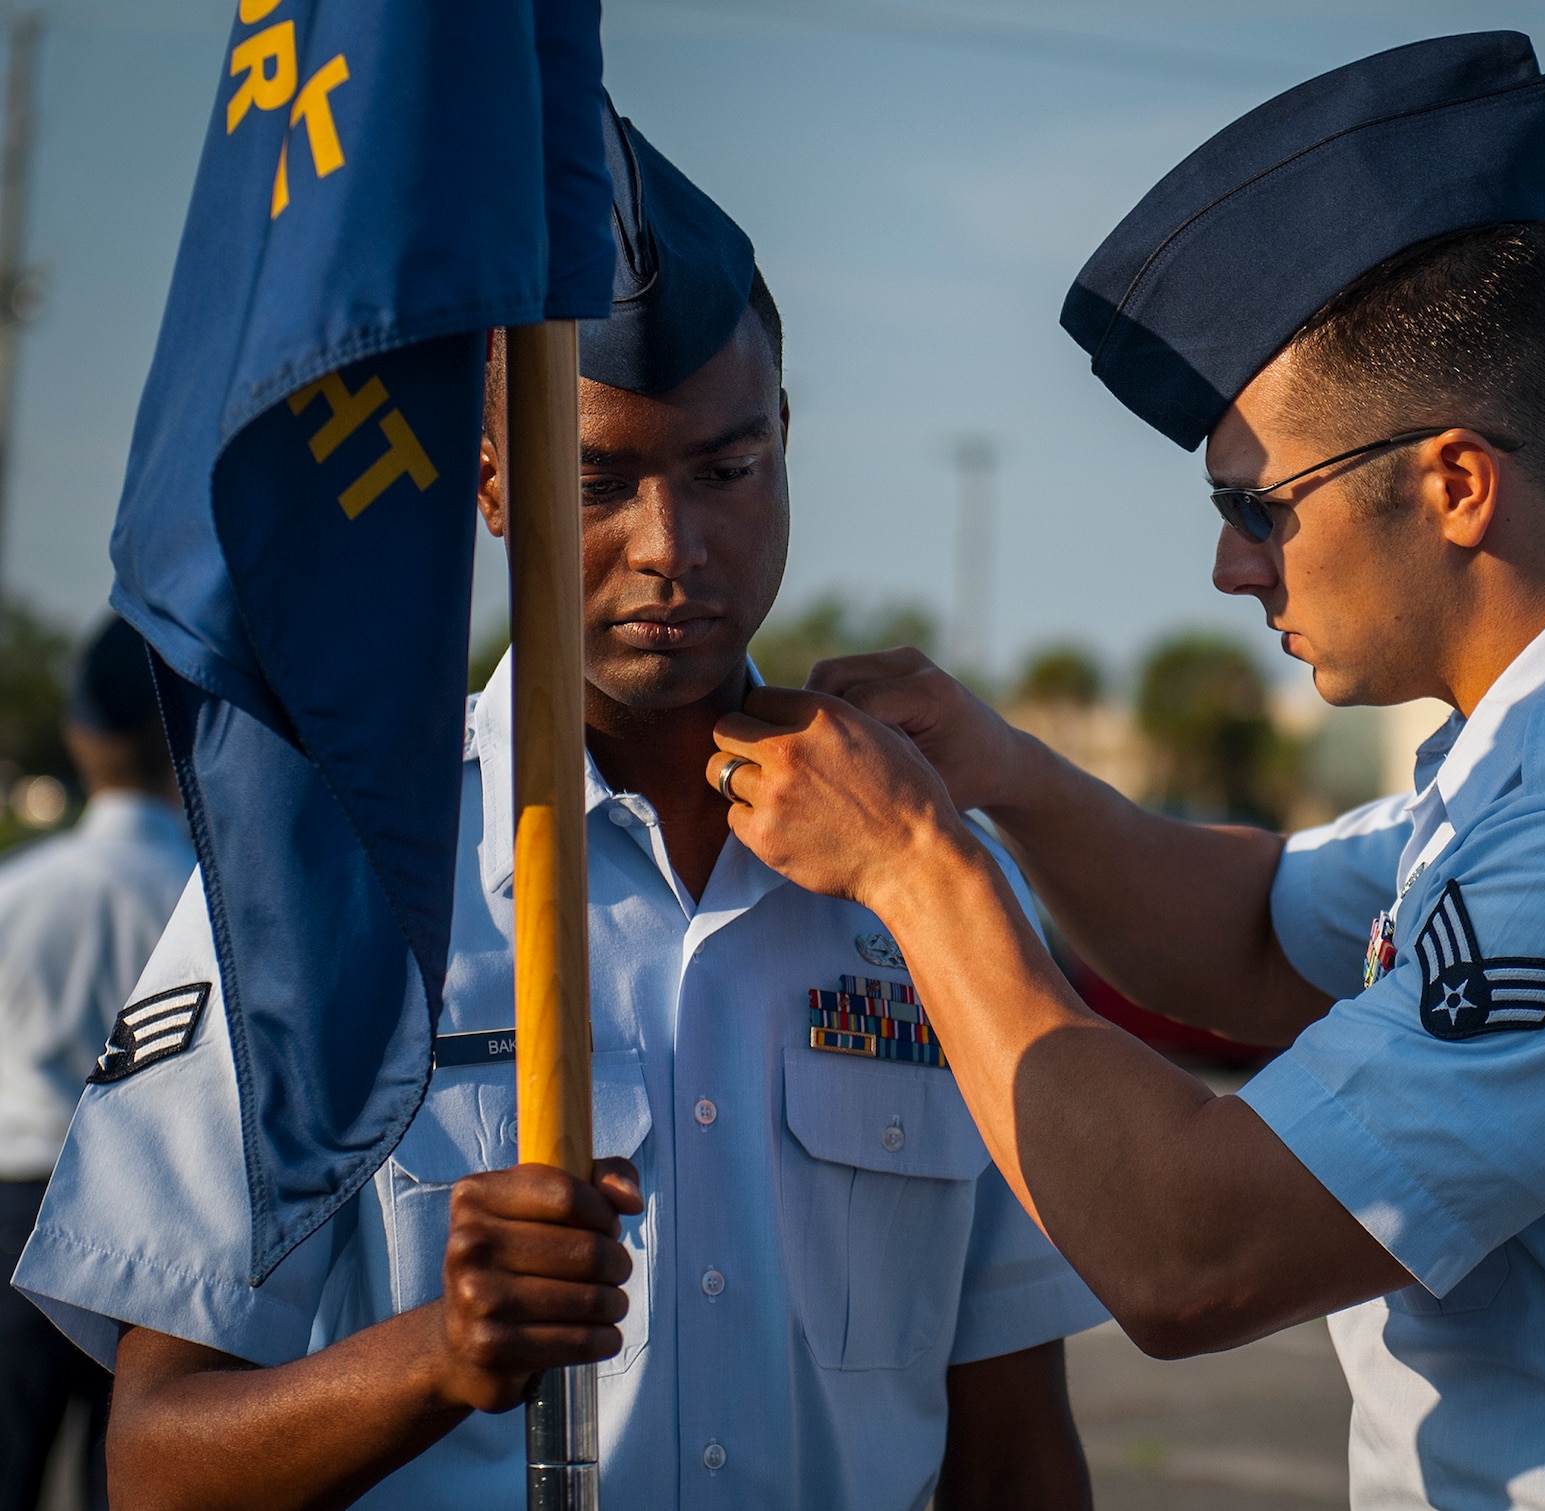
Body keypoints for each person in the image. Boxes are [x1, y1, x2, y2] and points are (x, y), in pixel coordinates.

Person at [699, 32, 1545, 1508]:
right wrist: (1001, 771)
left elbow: (1188, 1253)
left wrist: (912, 865)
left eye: (1262, 507)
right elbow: (1266, 934)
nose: (1227, 563)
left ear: (1456, 482)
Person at [13, 99, 1103, 1511]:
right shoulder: (332, 882)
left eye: (726, 470)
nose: (673, 549)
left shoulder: (931, 884)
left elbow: (1014, 1445)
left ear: (785, 438)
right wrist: (435, 1355)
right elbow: (155, 1462)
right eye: (595, 479)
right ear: (490, 481)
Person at [0, 616, 194, 1511]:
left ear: (81, 736)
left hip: (12, 1197)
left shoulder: (19, 891)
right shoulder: (210, 900)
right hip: (161, 1208)